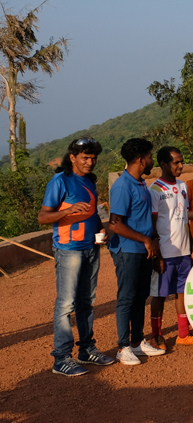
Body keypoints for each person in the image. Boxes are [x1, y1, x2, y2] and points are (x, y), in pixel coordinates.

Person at [40, 137, 114, 376]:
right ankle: (61, 358)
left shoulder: (89, 182)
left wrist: (99, 229)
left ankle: (86, 350)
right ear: (72, 158)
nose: (90, 162)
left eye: (93, 158)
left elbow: (91, 213)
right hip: (68, 249)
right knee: (65, 304)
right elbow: (43, 217)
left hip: (90, 248)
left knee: (86, 302)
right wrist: (69, 210)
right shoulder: (60, 181)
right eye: (85, 158)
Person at [107, 138, 166, 365]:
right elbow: (115, 224)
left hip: (143, 250)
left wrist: (152, 241)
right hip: (128, 250)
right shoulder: (122, 186)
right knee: (127, 297)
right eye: (150, 157)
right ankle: (123, 347)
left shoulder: (140, 183)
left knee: (141, 295)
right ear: (141, 160)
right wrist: (145, 239)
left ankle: (137, 341)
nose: (152, 161)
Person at [148, 146, 193, 349]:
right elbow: (152, 223)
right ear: (163, 164)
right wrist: (156, 253)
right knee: (159, 294)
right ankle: (156, 335)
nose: (181, 165)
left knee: (182, 292)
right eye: (176, 162)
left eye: (182, 161)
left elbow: (184, 217)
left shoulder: (183, 186)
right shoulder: (155, 190)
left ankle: (183, 334)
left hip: (184, 251)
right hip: (165, 252)